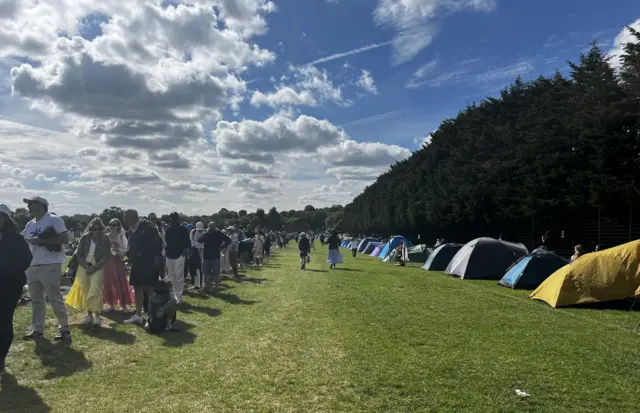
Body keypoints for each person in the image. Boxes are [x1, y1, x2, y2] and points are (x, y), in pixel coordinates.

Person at [21, 196, 72, 343]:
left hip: (50, 263)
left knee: (54, 297)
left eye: (31, 203)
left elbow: (65, 239)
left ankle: (64, 329)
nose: (28, 206)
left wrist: (42, 241)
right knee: (36, 300)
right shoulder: (29, 224)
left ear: (42, 205)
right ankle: (38, 329)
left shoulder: (54, 220)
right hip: (33, 264)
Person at [0, 204, 33, 378]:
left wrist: (9, 269)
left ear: (6, 219)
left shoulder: (16, 239)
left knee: (4, 320)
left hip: (9, 286)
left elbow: (26, 259)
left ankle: (1, 358)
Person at [66, 218, 111, 326]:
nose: (96, 231)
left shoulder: (105, 239)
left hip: (97, 265)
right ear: (90, 229)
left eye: (99, 228)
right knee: (85, 288)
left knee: (95, 289)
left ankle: (97, 316)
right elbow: (78, 254)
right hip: (84, 265)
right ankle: (89, 315)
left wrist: (95, 267)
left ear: (102, 229)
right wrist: (86, 265)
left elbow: (106, 256)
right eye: (94, 229)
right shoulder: (84, 238)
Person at [123, 209, 162, 325]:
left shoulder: (147, 227)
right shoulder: (130, 230)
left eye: (126, 217)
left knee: (148, 288)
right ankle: (138, 315)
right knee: (137, 286)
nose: (125, 220)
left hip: (148, 262)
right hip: (137, 262)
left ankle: (156, 314)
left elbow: (157, 245)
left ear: (134, 217)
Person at [103, 218, 134, 312]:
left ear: (118, 226)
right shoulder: (105, 237)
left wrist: (119, 250)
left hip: (118, 262)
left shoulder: (121, 237)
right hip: (107, 262)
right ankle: (111, 304)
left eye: (114, 224)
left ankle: (123, 305)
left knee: (121, 282)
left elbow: (126, 251)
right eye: (110, 224)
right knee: (108, 283)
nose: (112, 226)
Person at [164, 212, 191, 304]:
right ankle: (173, 294)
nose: (173, 220)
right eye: (171, 218)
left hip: (179, 255)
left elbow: (187, 242)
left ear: (177, 219)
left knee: (179, 276)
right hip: (169, 255)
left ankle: (179, 296)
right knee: (171, 276)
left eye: (174, 218)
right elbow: (165, 242)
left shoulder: (182, 229)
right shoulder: (168, 229)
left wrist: (184, 252)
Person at [198, 222, 231, 292]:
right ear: (209, 227)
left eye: (213, 227)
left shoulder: (219, 233)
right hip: (206, 256)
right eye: (211, 227)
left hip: (215, 257)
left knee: (216, 273)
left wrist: (222, 247)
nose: (212, 228)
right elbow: (199, 240)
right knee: (206, 273)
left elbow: (228, 240)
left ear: (215, 227)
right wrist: (206, 233)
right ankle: (206, 286)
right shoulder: (206, 234)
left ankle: (216, 287)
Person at [190, 222, 205, 288]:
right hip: (195, 251)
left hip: (202, 251)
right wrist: (198, 246)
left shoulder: (205, 232)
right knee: (195, 268)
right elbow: (192, 241)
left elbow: (205, 242)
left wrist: (201, 247)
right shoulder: (193, 232)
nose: (200, 230)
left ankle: (201, 283)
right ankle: (196, 283)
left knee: (201, 268)